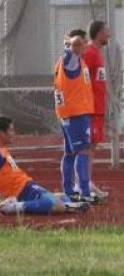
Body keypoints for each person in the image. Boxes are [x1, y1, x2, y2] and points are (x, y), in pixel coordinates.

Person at [0, 117, 89, 216]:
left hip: (26, 187)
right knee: (56, 205)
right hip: (22, 191)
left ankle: (15, 205)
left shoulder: (2, 150)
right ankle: (12, 207)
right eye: (11, 130)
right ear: (1, 133)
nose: (13, 134)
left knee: (64, 198)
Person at [55, 34, 95, 202]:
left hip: (68, 113)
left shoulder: (68, 62)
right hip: (76, 113)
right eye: (82, 43)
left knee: (70, 153)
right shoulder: (71, 61)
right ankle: (84, 192)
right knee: (83, 150)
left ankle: (69, 190)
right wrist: (74, 43)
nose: (85, 45)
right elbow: (73, 48)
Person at [82, 21, 110, 199]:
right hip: (91, 109)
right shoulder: (90, 53)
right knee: (88, 146)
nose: (109, 34)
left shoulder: (97, 53)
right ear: (99, 33)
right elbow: (80, 77)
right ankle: (84, 183)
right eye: (106, 31)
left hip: (98, 108)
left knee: (93, 146)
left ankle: (87, 181)